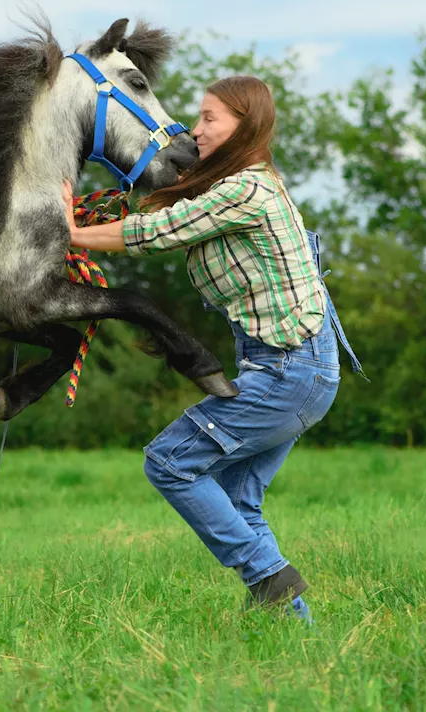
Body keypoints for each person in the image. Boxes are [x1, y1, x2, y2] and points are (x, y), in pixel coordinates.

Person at [64, 76, 364, 624]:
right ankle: (296, 628)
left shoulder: (247, 189)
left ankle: (269, 576)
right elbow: (169, 213)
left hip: (289, 372)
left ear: (243, 127)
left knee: (170, 462)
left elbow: (158, 233)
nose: (194, 130)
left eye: (209, 119)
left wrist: (70, 230)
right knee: (237, 496)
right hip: (293, 368)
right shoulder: (241, 186)